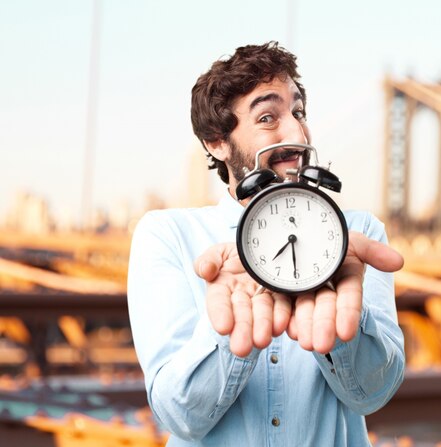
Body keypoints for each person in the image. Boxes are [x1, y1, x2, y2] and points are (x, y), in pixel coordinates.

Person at [127, 41, 406, 446]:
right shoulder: (166, 235)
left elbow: (372, 395)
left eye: (298, 112)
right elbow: (180, 416)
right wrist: (230, 335)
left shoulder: (356, 236)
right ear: (216, 142)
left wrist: (345, 322)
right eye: (267, 117)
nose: (295, 131)